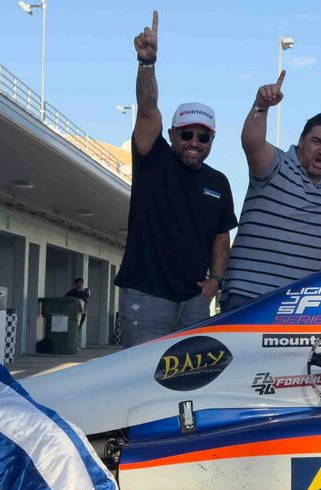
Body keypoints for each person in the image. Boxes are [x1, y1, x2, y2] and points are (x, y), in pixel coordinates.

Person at [113, 11, 236, 347]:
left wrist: (216, 281)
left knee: (189, 381)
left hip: (194, 300)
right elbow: (147, 106)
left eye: (203, 137)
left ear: (212, 141)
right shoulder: (154, 157)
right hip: (147, 296)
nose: (194, 143)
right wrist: (147, 62)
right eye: (186, 134)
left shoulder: (219, 182)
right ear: (172, 133)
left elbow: (221, 239)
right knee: (141, 380)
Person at [220, 71, 321, 311]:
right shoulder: (275, 165)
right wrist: (261, 106)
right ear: (301, 140)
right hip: (247, 295)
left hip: (297, 305)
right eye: (317, 141)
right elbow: (252, 142)